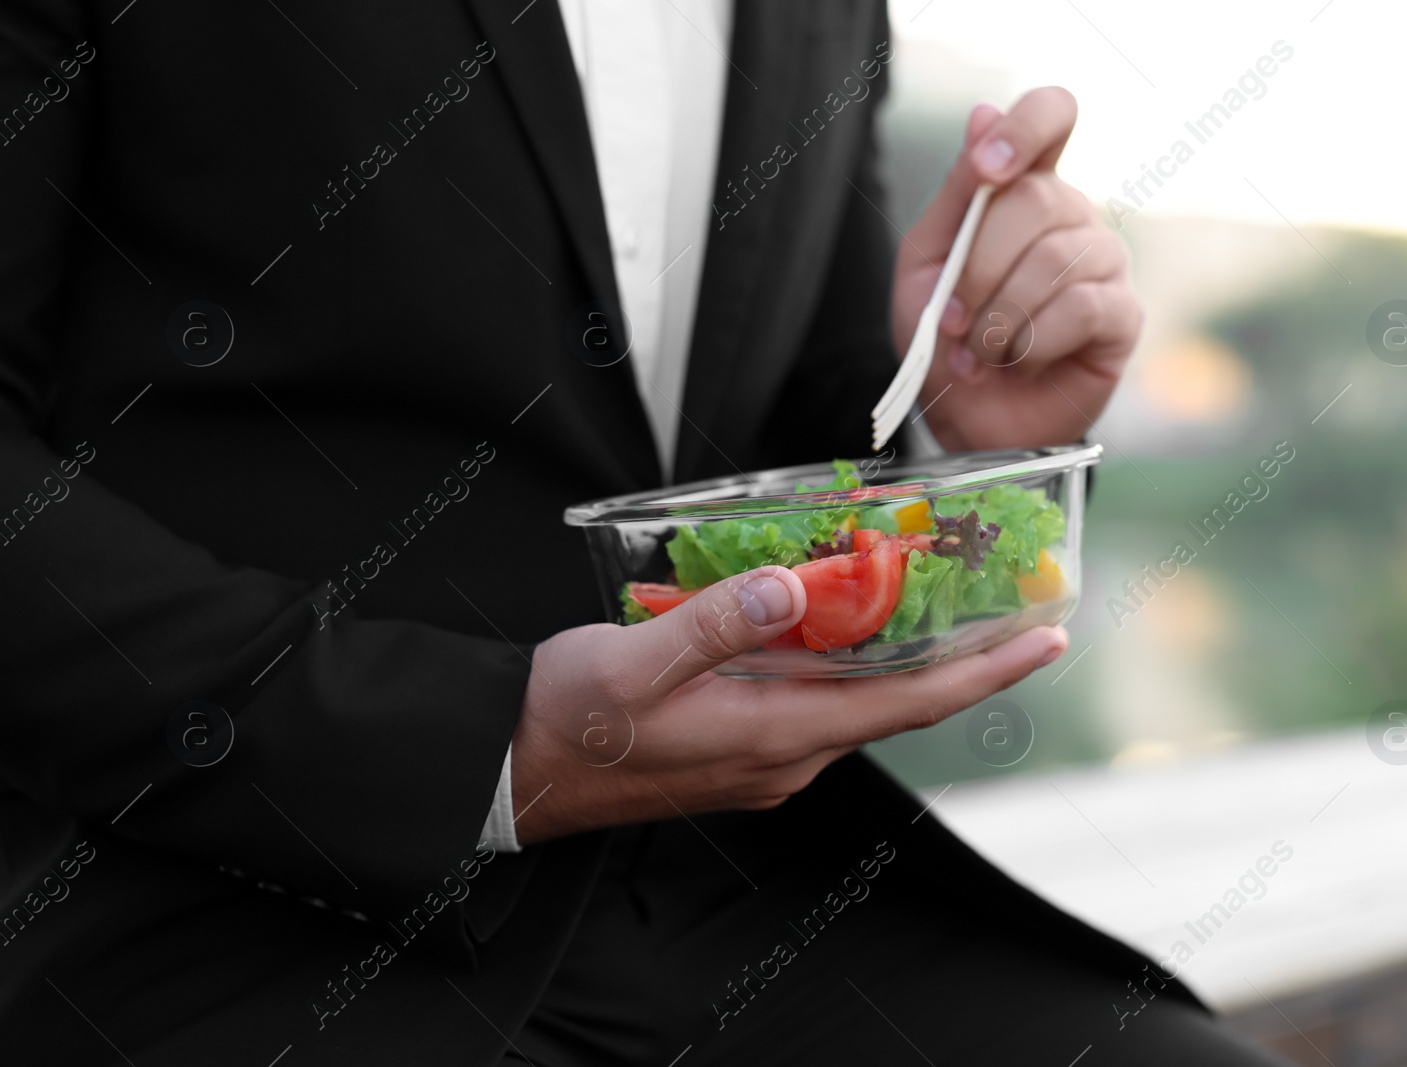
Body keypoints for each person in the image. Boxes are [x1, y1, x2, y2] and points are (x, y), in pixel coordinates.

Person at [0, 1, 1291, 1063]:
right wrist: (488, 750)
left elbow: (781, 449)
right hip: (206, 899)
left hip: (748, 888)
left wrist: (962, 434)